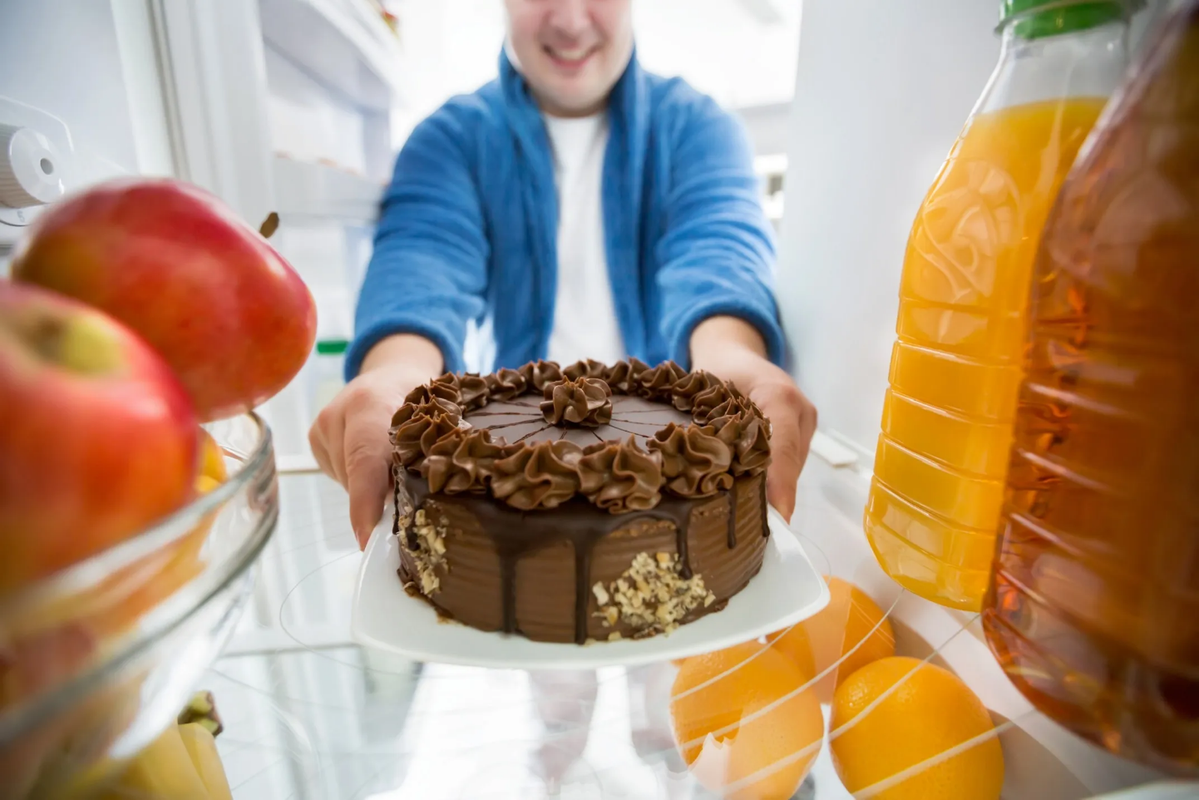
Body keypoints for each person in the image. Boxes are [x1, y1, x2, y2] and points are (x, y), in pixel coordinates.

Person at [310, 0, 817, 548]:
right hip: (513, 500)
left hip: (670, 506)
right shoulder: (450, 140)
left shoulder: (699, 129)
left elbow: (717, 252)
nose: (571, 20)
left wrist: (731, 360)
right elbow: (422, 264)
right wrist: (392, 377)